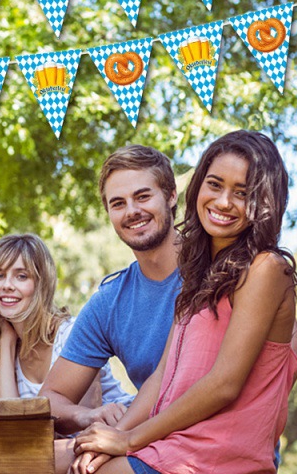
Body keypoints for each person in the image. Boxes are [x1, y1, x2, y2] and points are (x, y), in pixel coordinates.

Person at [73, 130, 297, 474]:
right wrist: (112, 436)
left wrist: (130, 441)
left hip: (213, 459)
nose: (224, 201)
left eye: (242, 193)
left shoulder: (266, 268)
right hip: (172, 446)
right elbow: (161, 375)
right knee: (63, 459)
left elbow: (226, 383)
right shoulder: (198, 274)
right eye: (214, 184)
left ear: (265, 202)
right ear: (198, 187)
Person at [40, 145, 181, 438]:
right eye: (118, 203)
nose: (132, 211)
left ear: (170, 196)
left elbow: (286, 354)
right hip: (147, 444)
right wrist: (88, 415)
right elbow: (49, 400)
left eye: (143, 196)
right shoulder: (110, 301)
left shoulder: (218, 268)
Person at [0, 233, 130, 405]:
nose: (7, 285)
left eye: (21, 276)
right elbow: (7, 421)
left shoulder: (71, 333)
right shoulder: (11, 347)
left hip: (128, 427)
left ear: (41, 284)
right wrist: (6, 342)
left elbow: (85, 418)